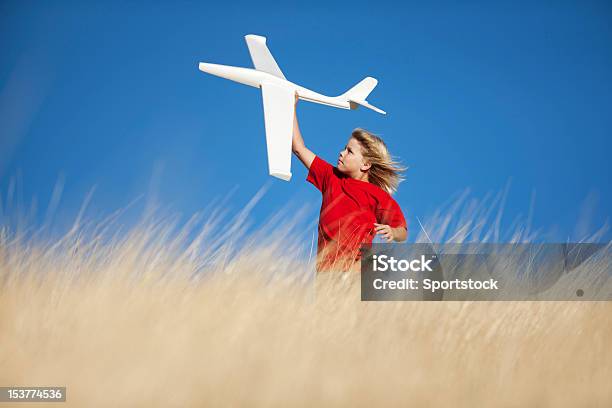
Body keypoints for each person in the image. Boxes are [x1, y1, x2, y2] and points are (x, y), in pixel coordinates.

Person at [292, 93, 408, 273]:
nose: (341, 152)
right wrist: (291, 108)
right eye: (344, 148)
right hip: (325, 272)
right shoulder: (330, 177)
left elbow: (402, 231)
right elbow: (298, 148)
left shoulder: (377, 195)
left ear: (366, 164)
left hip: (355, 272)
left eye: (349, 151)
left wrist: (393, 233)